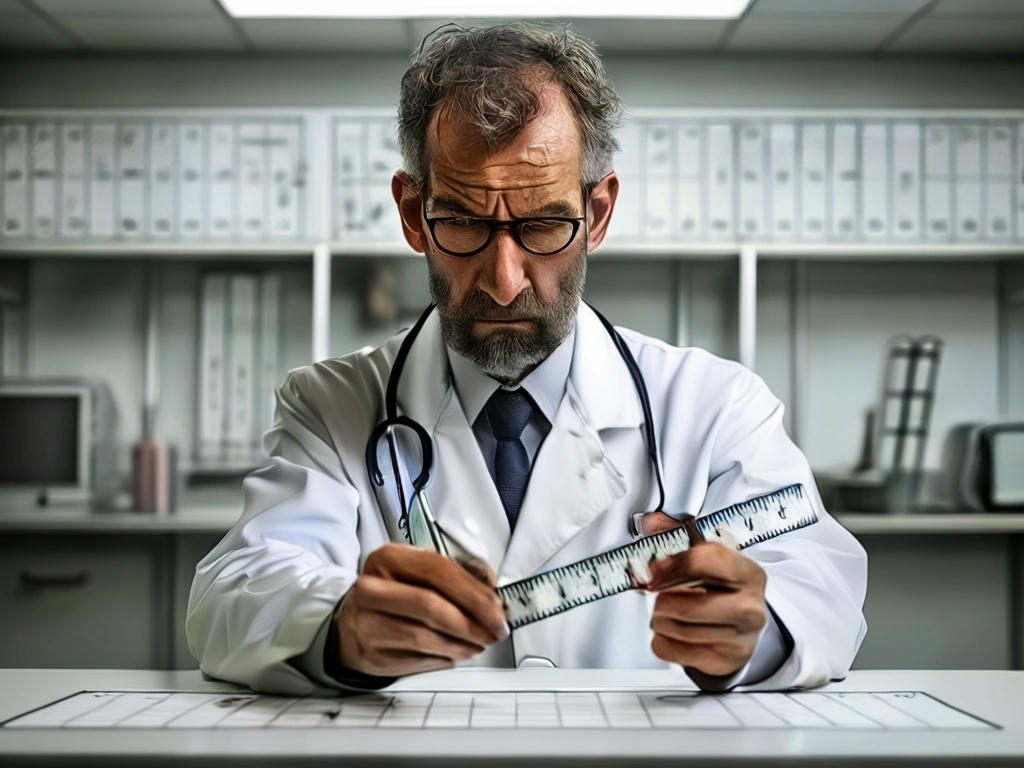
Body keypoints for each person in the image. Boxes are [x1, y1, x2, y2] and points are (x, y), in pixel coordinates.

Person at [186, 23, 867, 695]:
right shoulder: (329, 405)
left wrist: (760, 630)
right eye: (463, 225)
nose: (504, 280)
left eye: (543, 225)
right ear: (413, 212)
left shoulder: (716, 405)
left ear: (596, 214)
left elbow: (824, 585)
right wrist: (338, 630)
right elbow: (235, 593)